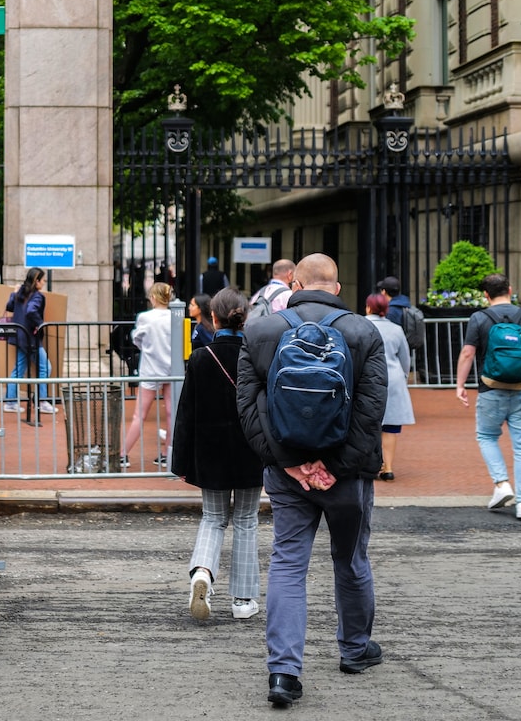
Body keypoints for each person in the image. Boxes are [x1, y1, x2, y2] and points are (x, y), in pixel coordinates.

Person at [236, 253, 387, 708]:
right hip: (347, 474)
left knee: (287, 563)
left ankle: (284, 672)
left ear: (294, 283)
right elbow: (370, 413)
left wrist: (291, 465)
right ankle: (355, 650)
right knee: (351, 559)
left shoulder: (261, 332)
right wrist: (335, 469)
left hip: (287, 474)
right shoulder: (363, 331)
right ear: (337, 288)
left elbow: (248, 409)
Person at [171, 288, 263, 622]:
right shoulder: (256, 356)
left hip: (210, 450)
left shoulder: (200, 358)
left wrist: (180, 461)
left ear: (213, 318)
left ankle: (203, 573)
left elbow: (186, 413)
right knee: (246, 520)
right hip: (251, 449)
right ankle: (242, 599)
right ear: (245, 316)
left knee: (212, 518)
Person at [453, 273, 521, 519]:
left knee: (487, 436)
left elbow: (468, 353)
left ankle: (501, 484)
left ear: (486, 295)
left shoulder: (480, 318)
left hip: (491, 389)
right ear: (510, 289)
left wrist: (460, 385)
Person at [122, 282, 175, 468]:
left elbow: (137, 339)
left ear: (153, 297)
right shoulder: (175, 316)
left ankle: (123, 453)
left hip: (151, 368)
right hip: (171, 368)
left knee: (140, 415)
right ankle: (166, 453)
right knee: (171, 413)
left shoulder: (145, 317)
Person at [363, 292, 414, 481]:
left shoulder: (361, 325)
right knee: (391, 426)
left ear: (368, 307)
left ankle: (372, 463)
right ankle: (388, 467)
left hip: (368, 378)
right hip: (392, 378)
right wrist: (402, 377)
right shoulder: (396, 329)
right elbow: (405, 359)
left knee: (368, 424)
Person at [2, 267, 55, 422]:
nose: (44, 283)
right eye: (43, 280)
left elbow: (10, 306)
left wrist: (14, 292)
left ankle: (11, 402)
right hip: (30, 339)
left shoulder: (21, 292)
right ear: (36, 281)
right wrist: (41, 324)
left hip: (19, 336)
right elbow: (31, 311)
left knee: (18, 369)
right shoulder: (37, 296)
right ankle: (41, 401)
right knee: (45, 367)